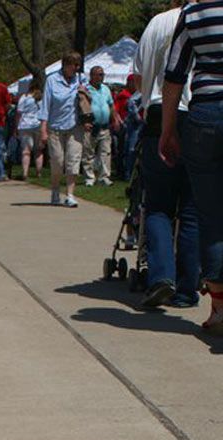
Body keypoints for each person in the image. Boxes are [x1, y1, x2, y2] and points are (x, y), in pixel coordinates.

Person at [160, 0, 223, 332]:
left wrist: (167, 129)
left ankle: (219, 309)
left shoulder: (194, 14)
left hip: (205, 118)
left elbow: (174, 76)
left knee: (210, 215)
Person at [134, 0, 200, 309]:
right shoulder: (204, 21)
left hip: (158, 112)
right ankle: (188, 287)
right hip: (195, 113)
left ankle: (161, 275)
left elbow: (137, 75)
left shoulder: (156, 23)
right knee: (191, 207)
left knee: (158, 204)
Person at [39, 51, 87, 207]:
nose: (76, 68)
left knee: (73, 160)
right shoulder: (52, 80)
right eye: (74, 65)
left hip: (75, 127)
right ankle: (55, 189)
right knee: (58, 162)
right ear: (65, 65)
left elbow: (86, 102)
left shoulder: (81, 79)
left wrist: (84, 93)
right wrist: (43, 130)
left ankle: (70, 194)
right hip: (55, 127)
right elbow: (45, 105)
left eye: (78, 65)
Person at [81, 66, 120, 186]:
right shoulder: (85, 89)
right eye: (99, 74)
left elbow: (111, 105)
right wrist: (84, 122)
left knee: (105, 152)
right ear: (92, 76)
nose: (101, 77)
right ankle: (89, 178)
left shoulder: (106, 89)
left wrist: (115, 119)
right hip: (91, 127)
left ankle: (104, 177)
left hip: (105, 127)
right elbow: (81, 106)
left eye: (102, 75)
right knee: (88, 153)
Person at [16, 79, 44, 180]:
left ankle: (25, 173)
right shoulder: (41, 98)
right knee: (38, 150)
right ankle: (39, 173)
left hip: (25, 125)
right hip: (38, 125)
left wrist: (16, 126)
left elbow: (19, 112)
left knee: (26, 151)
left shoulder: (24, 97)